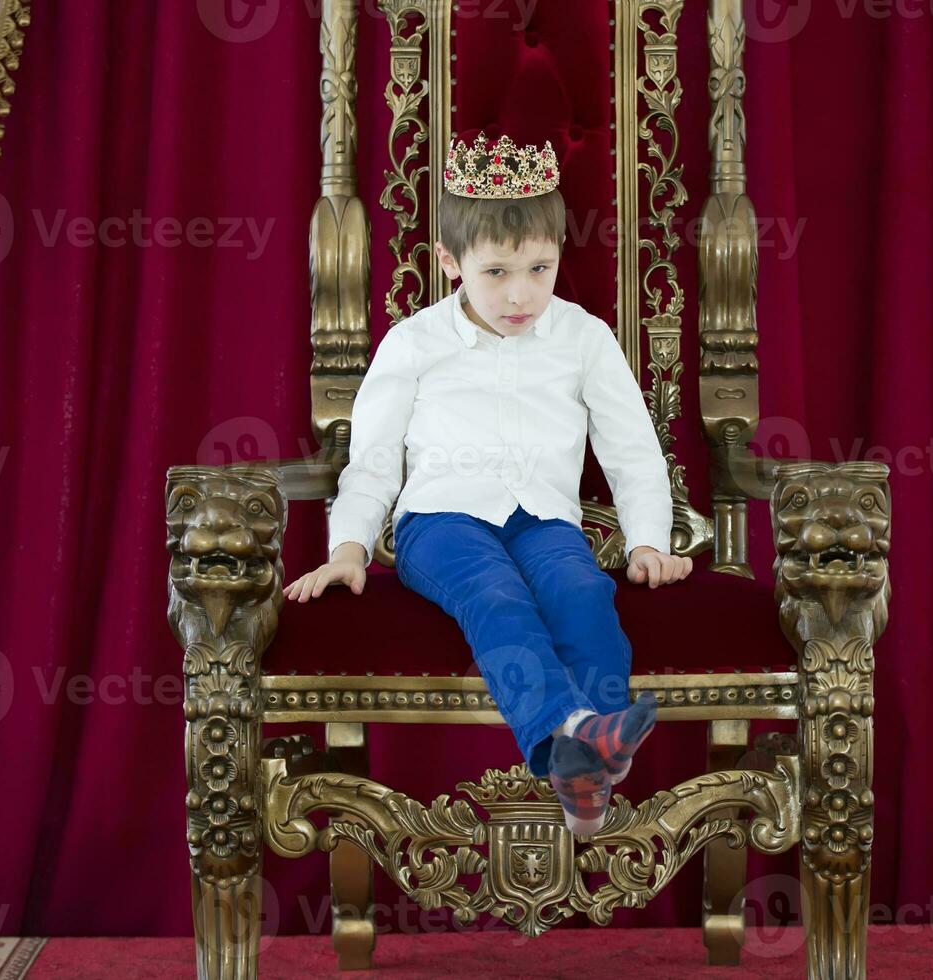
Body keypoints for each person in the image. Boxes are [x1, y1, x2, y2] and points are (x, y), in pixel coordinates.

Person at [285, 132, 693, 834]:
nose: (521, 293)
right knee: (496, 596)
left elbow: (632, 450)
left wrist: (649, 540)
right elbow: (375, 458)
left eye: (540, 268)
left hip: (543, 520)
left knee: (583, 591)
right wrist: (348, 547)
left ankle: (590, 767)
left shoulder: (584, 337)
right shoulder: (413, 343)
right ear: (451, 262)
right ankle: (571, 731)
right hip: (439, 523)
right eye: (497, 272)